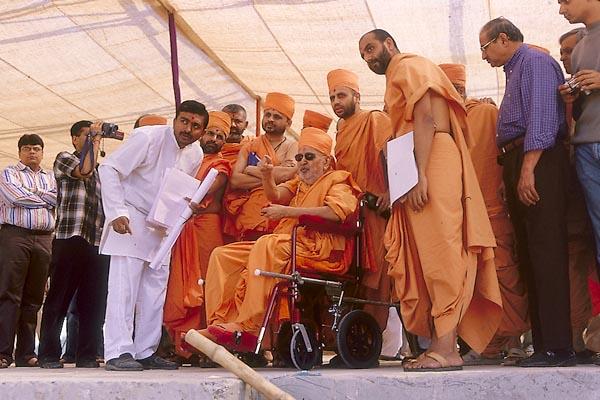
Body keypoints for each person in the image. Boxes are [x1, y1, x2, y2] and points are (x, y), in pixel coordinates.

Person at [358, 29, 502, 371]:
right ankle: (440, 343)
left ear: (389, 44)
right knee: (429, 254)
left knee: (441, 252)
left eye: (371, 48)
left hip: (431, 158)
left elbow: (425, 117)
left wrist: (420, 173)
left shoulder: (409, 66)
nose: (368, 58)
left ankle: (446, 349)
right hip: (422, 157)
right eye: (363, 55)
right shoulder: (402, 72)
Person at [201, 127, 360, 350]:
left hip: (319, 249)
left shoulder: (338, 180)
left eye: (309, 157)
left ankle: (250, 326)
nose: (302, 162)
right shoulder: (299, 183)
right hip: (289, 243)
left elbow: (335, 212)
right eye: (299, 157)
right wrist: (267, 175)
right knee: (223, 254)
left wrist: (288, 212)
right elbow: (275, 195)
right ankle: (220, 325)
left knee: (267, 244)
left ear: (326, 162)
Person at [479, 17, 574, 367]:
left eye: (485, 47)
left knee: (546, 251)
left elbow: (542, 119)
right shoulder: (515, 68)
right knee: (531, 254)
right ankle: (545, 344)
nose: (484, 56)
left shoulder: (534, 61)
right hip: (518, 159)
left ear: (503, 39)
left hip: (538, 159)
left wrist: (528, 170)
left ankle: (558, 347)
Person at [98, 100, 208, 371]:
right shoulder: (147, 137)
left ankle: (145, 350)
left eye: (195, 126)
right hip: (131, 217)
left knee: (155, 290)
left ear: (202, 131)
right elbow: (108, 168)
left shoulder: (196, 153)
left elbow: (178, 189)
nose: (188, 129)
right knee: (124, 288)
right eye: (184, 121)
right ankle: (118, 351)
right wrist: (116, 212)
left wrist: (188, 205)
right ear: (175, 119)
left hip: (162, 224)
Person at [439, 64, 529, 364]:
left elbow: (505, 155)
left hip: (493, 212)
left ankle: (515, 342)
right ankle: (487, 346)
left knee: (506, 275)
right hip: (461, 217)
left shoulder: (486, 114)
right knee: (475, 282)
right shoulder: (442, 124)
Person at [326, 68, 399, 351]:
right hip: (350, 214)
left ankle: (371, 340)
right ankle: (353, 342)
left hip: (375, 211)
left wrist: (391, 191)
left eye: (341, 95)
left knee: (376, 276)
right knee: (353, 278)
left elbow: (392, 154)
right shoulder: (341, 131)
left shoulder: (374, 119)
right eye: (332, 97)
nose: (336, 102)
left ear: (357, 96)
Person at [38, 121, 110, 369]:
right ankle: (48, 354)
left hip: (97, 241)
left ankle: (87, 355)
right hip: (70, 237)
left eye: (94, 135)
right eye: (87, 135)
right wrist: (96, 140)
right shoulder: (64, 158)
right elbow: (84, 170)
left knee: (94, 302)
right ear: (74, 139)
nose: (92, 138)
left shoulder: (103, 172)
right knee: (59, 298)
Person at [163, 111, 232, 361]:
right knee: (180, 283)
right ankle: (180, 346)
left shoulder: (221, 165)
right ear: (201, 133)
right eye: (210, 133)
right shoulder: (189, 158)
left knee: (205, 284)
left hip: (206, 228)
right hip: (183, 227)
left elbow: (202, 192)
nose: (214, 139)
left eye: (220, 136)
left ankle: (203, 346)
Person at [558, 2, 600, 355]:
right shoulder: (581, 44)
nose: (561, 9)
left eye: (565, 0)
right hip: (585, 146)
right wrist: (571, 97)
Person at [0, 134, 56, 368]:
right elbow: (15, 197)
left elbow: (58, 198)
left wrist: (31, 193)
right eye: (26, 148)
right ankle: (3, 353)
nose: (31, 152)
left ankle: (26, 354)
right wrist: (45, 198)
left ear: (42, 152)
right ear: (19, 152)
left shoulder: (51, 176)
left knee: (34, 298)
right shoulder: (8, 173)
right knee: (9, 294)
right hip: (15, 235)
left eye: (36, 148)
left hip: (44, 238)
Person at [226, 93, 298, 241]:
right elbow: (235, 180)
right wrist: (272, 177)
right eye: (267, 114)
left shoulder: (293, 146)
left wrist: (251, 170)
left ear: (288, 123)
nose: (270, 119)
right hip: (252, 214)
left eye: (277, 117)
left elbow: (288, 175)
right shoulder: (250, 146)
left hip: (278, 212)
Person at [221, 104, 250, 242]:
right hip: (217, 213)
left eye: (238, 121)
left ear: (246, 125)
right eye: (228, 120)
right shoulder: (212, 147)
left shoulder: (254, 146)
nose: (233, 125)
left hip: (245, 211)